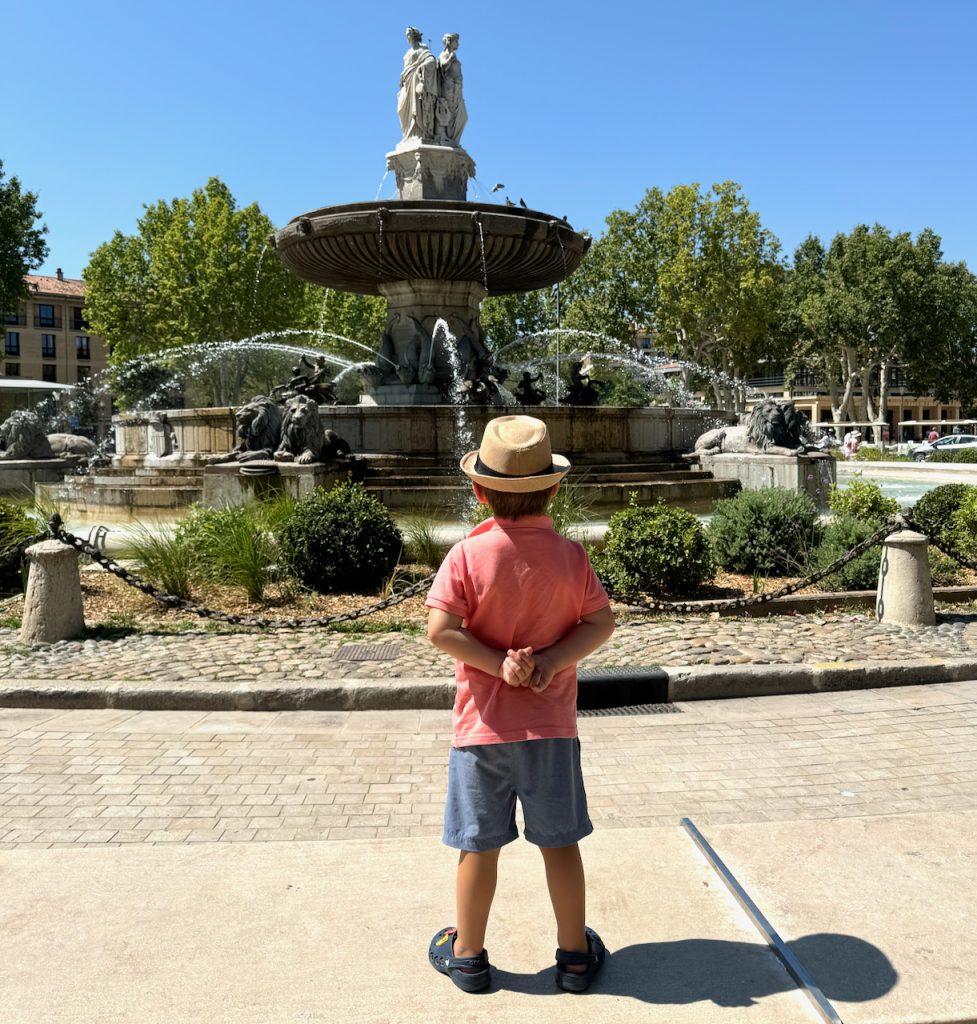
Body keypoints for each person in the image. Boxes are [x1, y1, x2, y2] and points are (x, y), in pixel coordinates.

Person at [425, 415, 616, 994]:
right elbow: (600, 623)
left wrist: (497, 664)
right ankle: (575, 957)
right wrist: (552, 662)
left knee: (478, 847)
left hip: (481, 731)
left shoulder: (466, 555)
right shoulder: (570, 557)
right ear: (554, 488)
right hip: (551, 729)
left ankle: (469, 956)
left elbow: (441, 630)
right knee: (560, 844)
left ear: (479, 490)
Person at [397, 26, 438, 142]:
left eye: (409, 33)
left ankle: (418, 132)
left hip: (416, 80)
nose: (407, 36)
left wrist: (421, 67)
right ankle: (408, 135)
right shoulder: (407, 53)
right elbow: (406, 67)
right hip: (407, 81)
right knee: (401, 109)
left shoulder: (422, 50)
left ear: (415, 35)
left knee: (417, 106)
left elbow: (431, 60)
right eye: (406, 34)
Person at [435, 33, 467, 145]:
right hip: (449, 86)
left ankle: (451, 137)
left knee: (461, 116)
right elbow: (443, 66)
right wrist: (450, 59)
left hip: (456, 87)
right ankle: (448, 136)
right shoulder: (444, 54)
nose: (458, 43)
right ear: (449, 42)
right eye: (456, 41)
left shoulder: (452, 55)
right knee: (450, 111)